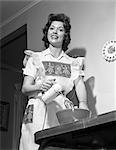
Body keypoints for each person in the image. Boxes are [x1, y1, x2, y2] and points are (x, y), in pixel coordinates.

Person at [19, 13, 89, 150]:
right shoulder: (35, 58)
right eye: (52, 28)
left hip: (61, 110)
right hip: (38, 107)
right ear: (47, 32)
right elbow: (25, 88)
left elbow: (79, 83)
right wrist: (39, 86)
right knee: (32, 145)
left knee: (59, 145)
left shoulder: (72, 63)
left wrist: (83, 104)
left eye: (60, 29)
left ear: (65, 35)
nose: (55, 32)